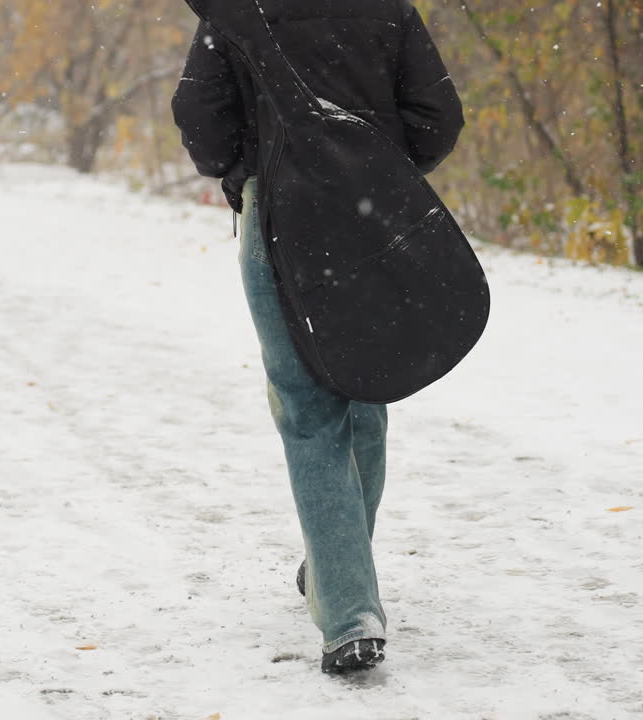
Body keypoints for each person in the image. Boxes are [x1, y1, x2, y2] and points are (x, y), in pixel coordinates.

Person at [171, 0, 465, 674]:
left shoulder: (239, 8)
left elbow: (198, 116)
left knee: (308, 410)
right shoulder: (387, 7)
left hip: (279, 217)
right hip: (372, 214)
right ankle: (340, 564)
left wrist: (243, 169)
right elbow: (437, 117)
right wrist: (375, 166)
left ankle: (349, 611)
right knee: (366, 386)